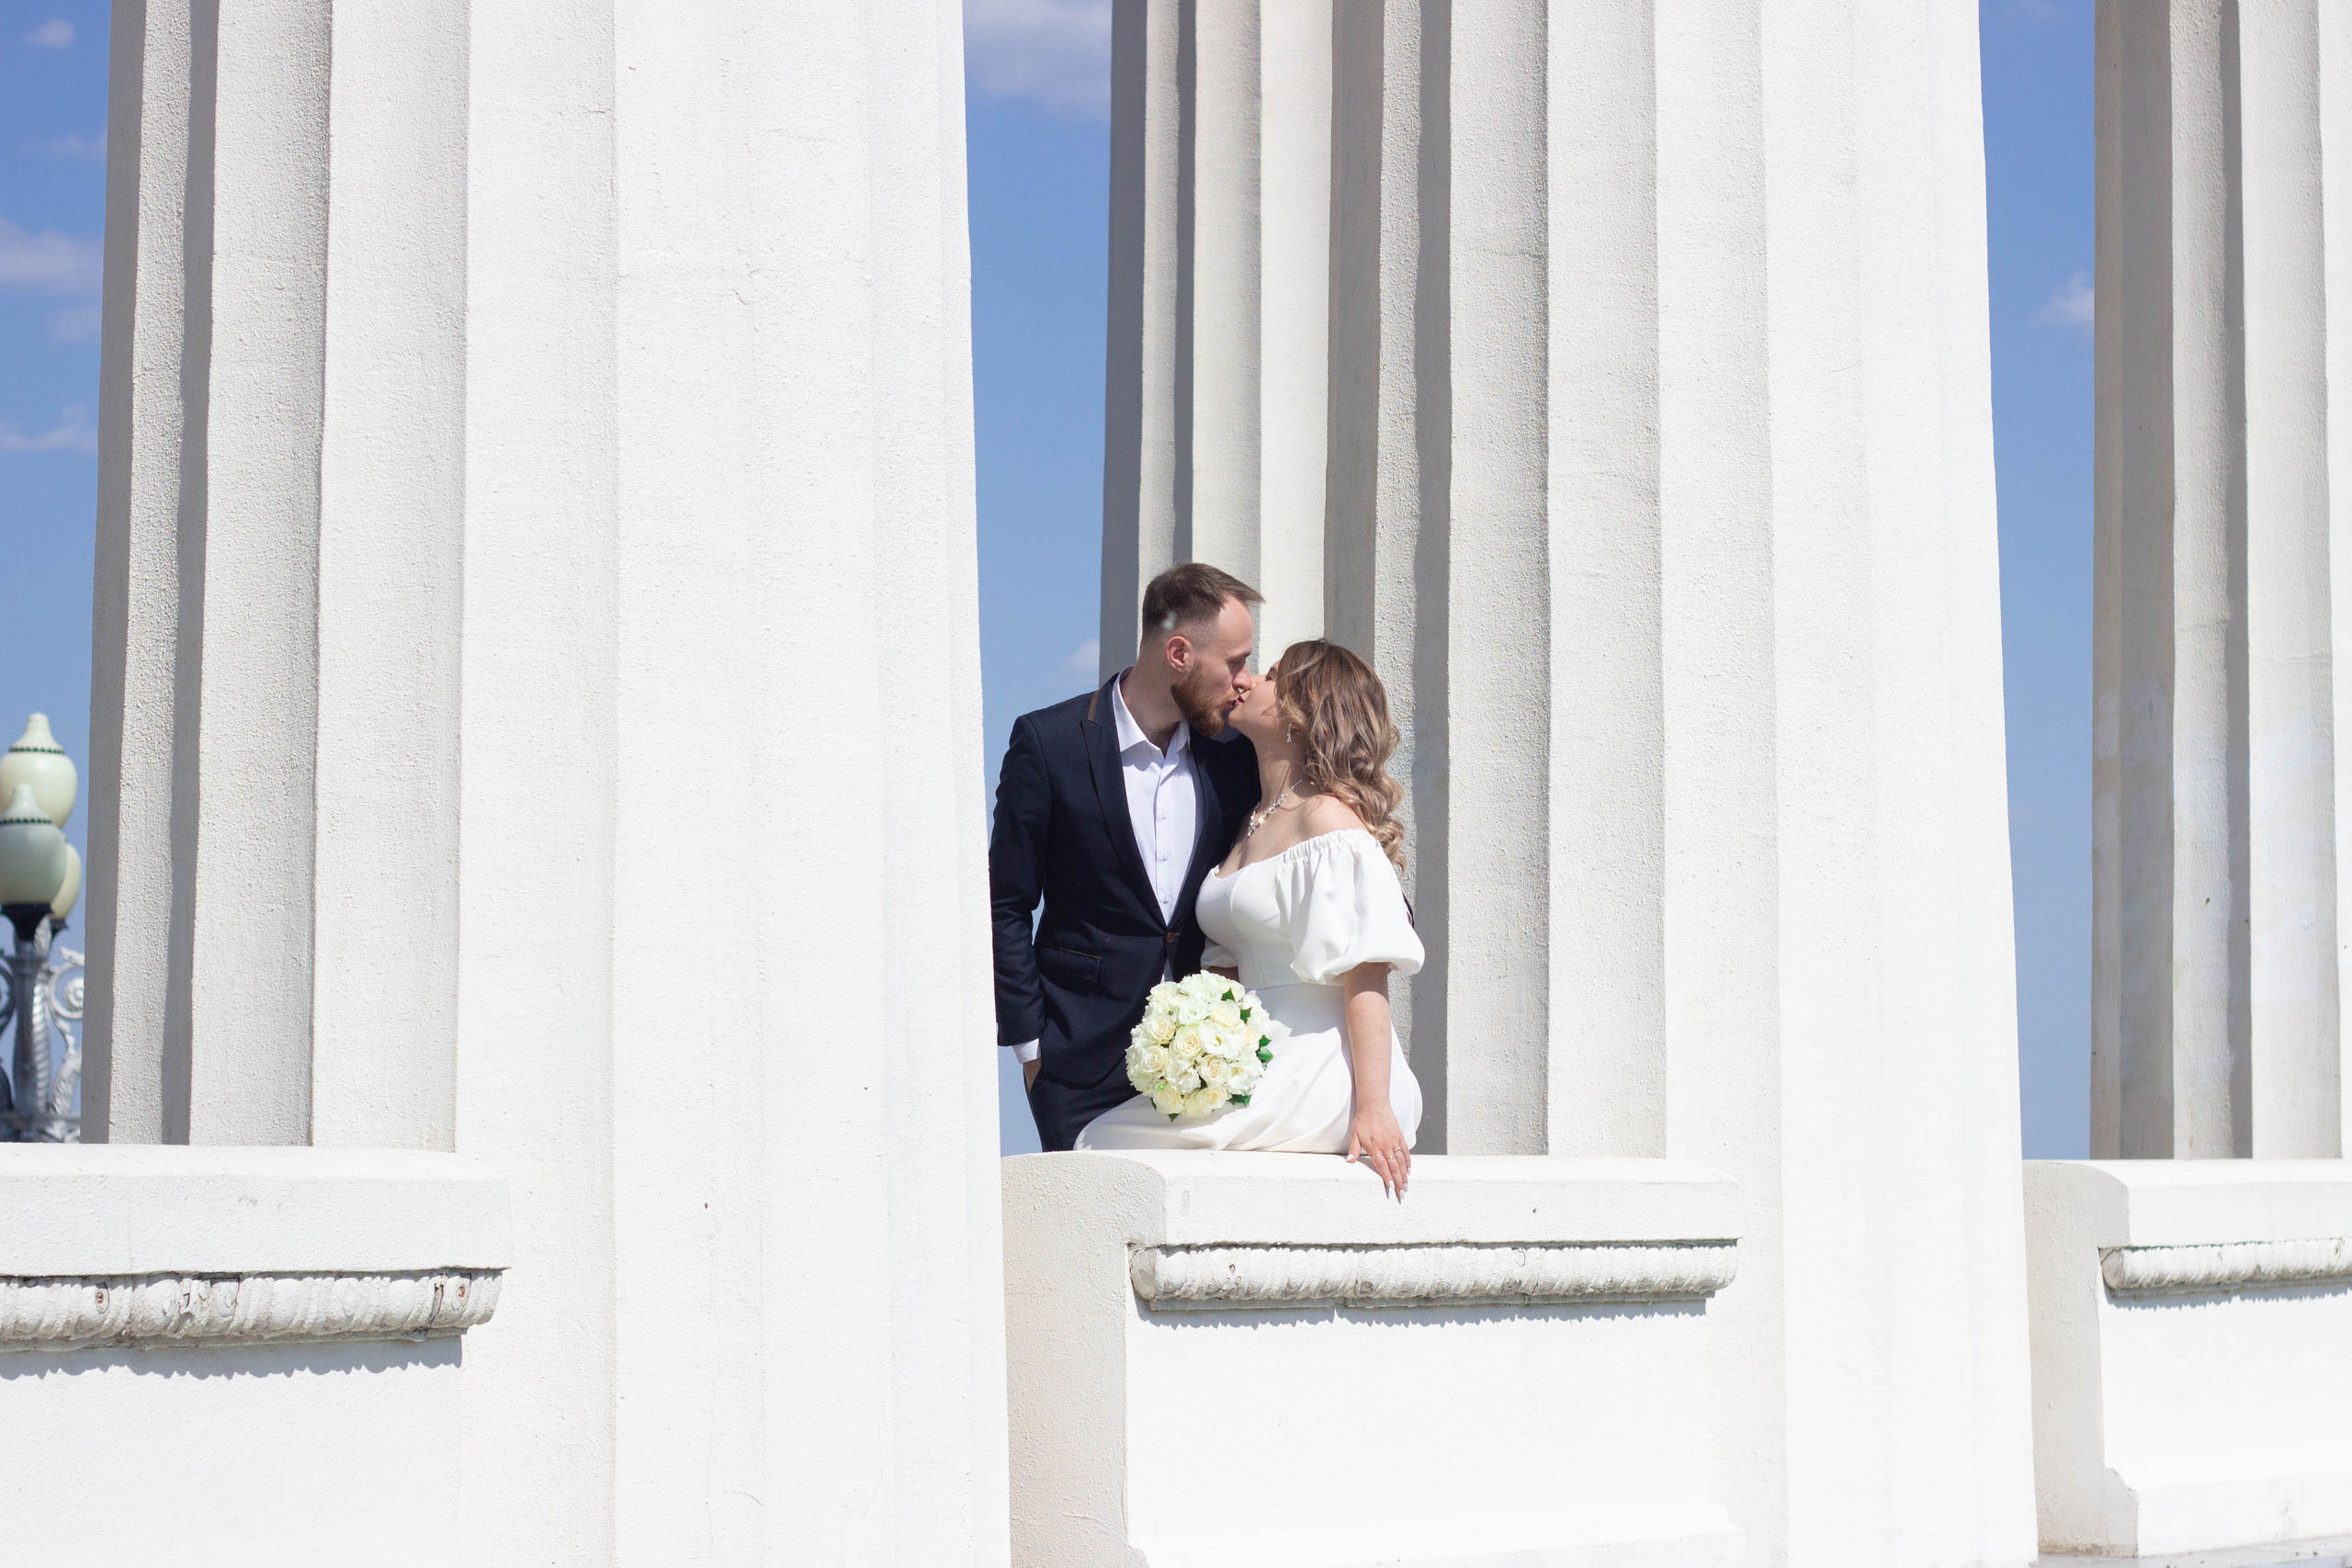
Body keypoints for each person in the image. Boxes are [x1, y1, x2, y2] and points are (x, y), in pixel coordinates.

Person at [1075, 639, 1423, 1198]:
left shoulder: (1327, 819)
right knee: (1099, 1139)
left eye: (1273, 676)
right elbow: (1230, 972)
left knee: (1106, 1142)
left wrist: (1376, 1105)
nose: (1247, 680)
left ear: (1302, 711)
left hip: (1323, 1063)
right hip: (1255, 1052)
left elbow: (1366, 971)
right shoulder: (1252, 822)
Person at [989, 563, 1264, 1151]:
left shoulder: (1235, 758)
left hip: (1212, 1069)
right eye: (1235, 661)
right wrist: (1031, 1049)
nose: (1246, 680)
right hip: (1077, 1064)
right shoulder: (1049, 742)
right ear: (1179, 652)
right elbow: (1005, 902)